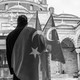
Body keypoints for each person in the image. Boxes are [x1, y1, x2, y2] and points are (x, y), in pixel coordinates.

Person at [6, 15, 46, 80]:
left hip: (17, 72)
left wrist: (12, 70)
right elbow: (42, 48)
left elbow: (8, 55)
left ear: (17, 23)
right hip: (31, 72)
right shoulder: (33, 32)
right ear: (27, 23)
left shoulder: (10, 36)